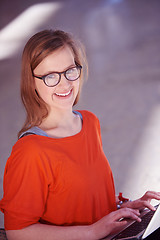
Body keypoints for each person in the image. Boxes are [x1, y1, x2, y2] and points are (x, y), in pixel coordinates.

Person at [0, 29, 160, 240]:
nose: (64, 83)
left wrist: (122, 208)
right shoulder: (30, 152)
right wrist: (93, 231)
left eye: (70, 70)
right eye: (50, 76)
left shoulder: (89, 121)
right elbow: (17, 232)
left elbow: (80, 197)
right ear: (32, 82)